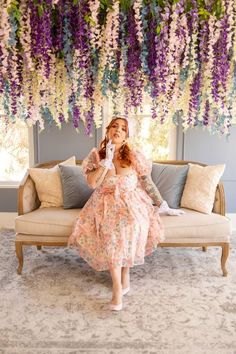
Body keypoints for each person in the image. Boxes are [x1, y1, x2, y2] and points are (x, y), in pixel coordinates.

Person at [68, 117, 183, 311]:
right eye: (114, 126)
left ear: (127, 135)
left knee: (132, 225)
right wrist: (106, 163)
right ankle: (117, 287)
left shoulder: (134, 156)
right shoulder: (96, 155)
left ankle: (125, 274)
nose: (118, 130)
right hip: (105, 203)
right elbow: (92, 184)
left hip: (131, 201)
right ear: (108, 130)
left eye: (123, 128)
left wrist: (163, 204)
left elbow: (147, 183)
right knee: (112, 232)